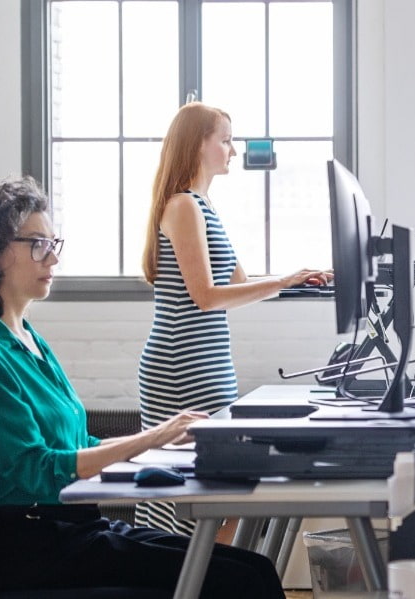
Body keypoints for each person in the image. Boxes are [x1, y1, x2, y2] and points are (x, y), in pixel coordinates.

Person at [0, 178, 282, 596]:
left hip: (78, 531)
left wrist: (161, 447)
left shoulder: (26, 337)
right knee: (241, 580)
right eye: (38, 244)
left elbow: (78, 443)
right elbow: (33, 471)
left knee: (254, 567)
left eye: (53, 244)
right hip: (43, 550)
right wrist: (151, 437)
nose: (53, 258)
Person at [136, 102, 327, 533]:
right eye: (225, 140)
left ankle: (210, 582)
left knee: (219, 492)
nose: (233, 150)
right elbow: (206, 297)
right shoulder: (183, 206)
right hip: (183, 366)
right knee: (199, 493)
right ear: (198, 144)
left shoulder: (203, 206)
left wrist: (299, 279)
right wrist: (283, 281)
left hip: (208, 363)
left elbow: (238, 283)